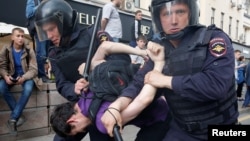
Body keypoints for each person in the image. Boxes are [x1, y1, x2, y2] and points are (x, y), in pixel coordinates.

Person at [101, 0, 239, 140]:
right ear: (158, 19)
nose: (173, 21)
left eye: (180, 12)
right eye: (166, 14)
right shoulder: (161, 49)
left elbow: (215, 85)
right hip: (182, 130)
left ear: (191, 14)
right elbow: (138, 84)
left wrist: (165, 80)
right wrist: (115, 106)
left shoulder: (213, 39)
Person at [50, 41, 168, 139]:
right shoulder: (86, 88)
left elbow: (143, 100)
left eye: (77, 131)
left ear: (72, 121)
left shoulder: (102, 121)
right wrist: (142, 52)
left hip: (159, 118)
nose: (82, 131)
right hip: (153, 91)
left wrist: (158, 65)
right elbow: (105, 46)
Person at [0, 27, 42, 135]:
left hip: (27, 77)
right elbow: (2, 66)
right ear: (12, 37)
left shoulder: (29, 50)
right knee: (1, 87)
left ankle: (13, 119)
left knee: (28, 89)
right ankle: (18, 116)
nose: (21, 38)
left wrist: (24, 77)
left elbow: (34, 69)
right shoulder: (5, 49)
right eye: (18, 36)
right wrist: (5, 76)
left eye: (22, 36)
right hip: (11, 76)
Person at [26, 0, 51, 83]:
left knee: (47, 53)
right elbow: (28, 13)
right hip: (39, 28)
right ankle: (41, 75)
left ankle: (43, 74)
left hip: (49, 28)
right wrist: (42, 4)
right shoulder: (33, 0)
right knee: (42, 53)